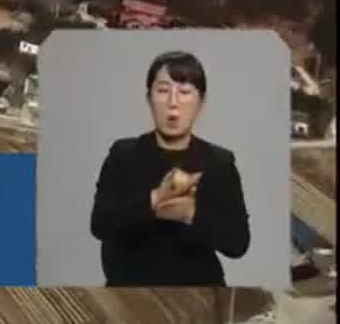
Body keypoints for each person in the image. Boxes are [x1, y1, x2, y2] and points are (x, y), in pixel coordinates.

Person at [89, 50, 251, 286]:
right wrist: (155, 199)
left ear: (201, 102)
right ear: (149, 98)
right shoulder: (124, 154)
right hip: (129, 294)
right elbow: (100, 225)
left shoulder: (219, 162)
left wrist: (190, 214)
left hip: (200, 295)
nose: (172, 103)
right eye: (163, 90)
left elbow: (238, 244)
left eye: (185, 92)